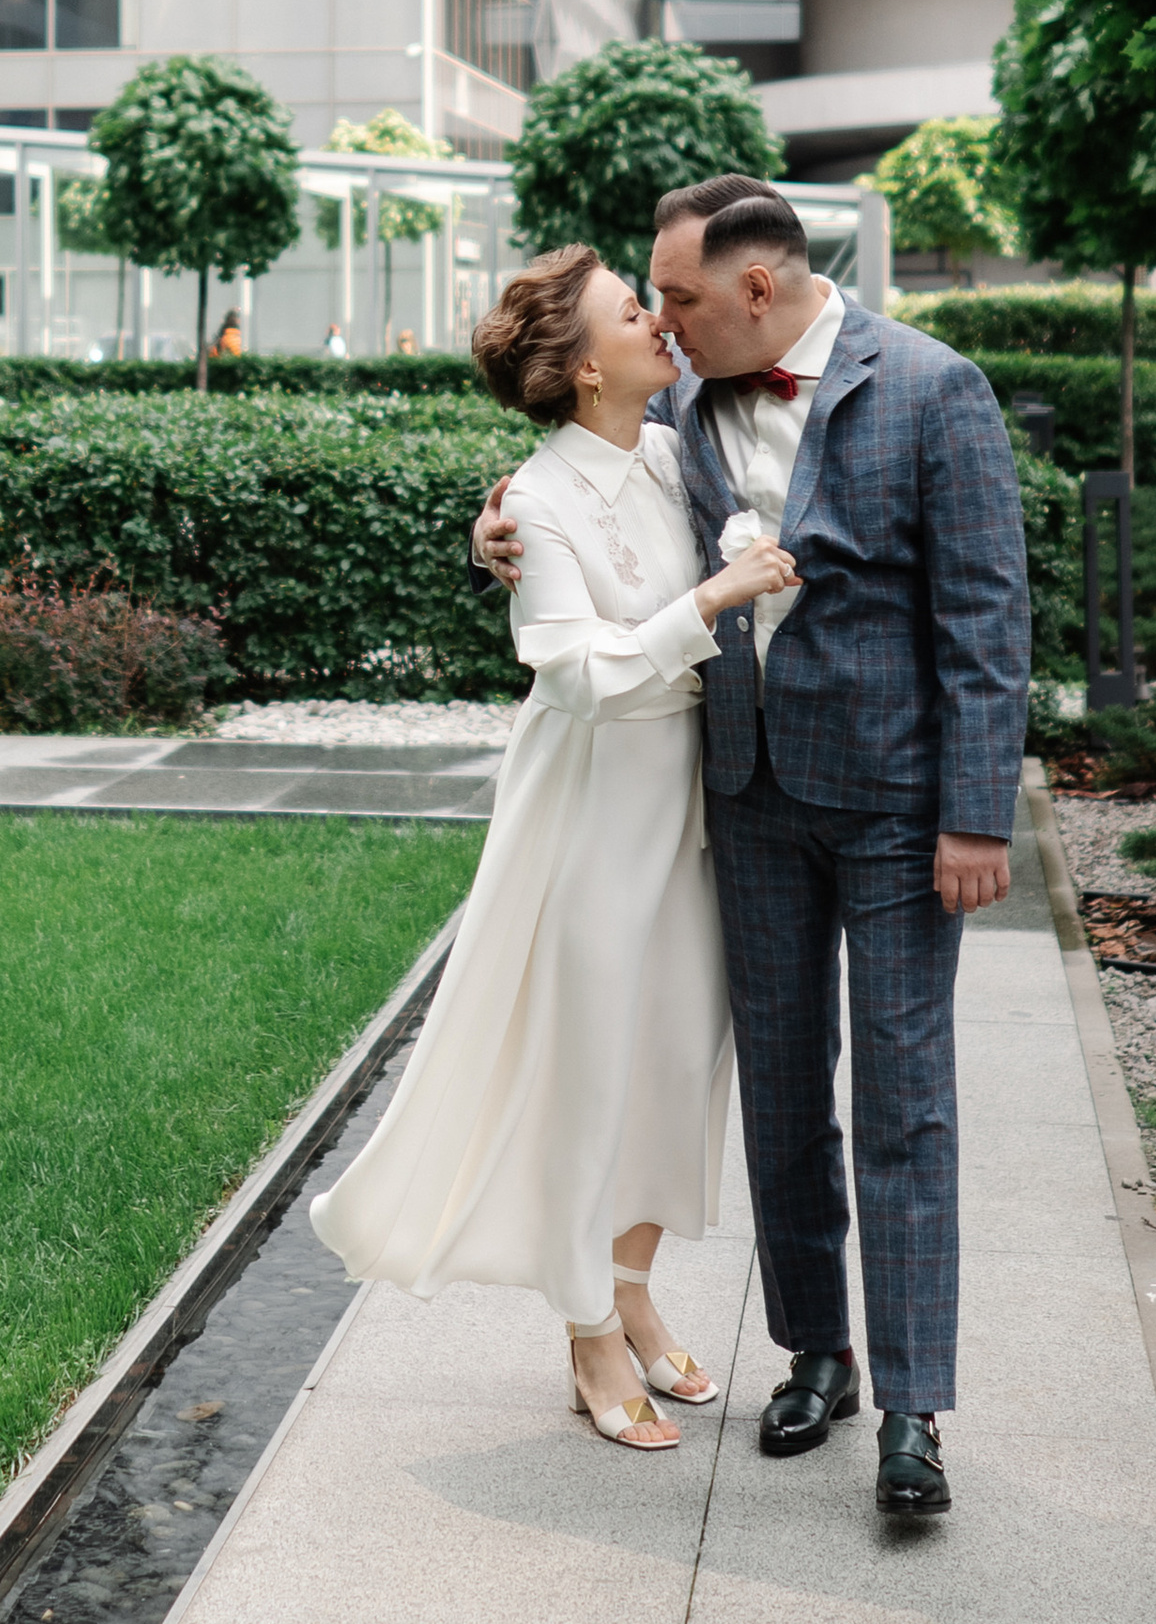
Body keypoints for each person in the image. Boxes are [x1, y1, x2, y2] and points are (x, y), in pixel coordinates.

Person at [474, 177, 1028, 1518]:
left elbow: (985, 609)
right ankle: (816, 1353)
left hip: (901, 808)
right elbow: (569, 469)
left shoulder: (935, 386)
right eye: (649, 302)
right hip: (749, 799)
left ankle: (914, 1409)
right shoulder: (677, 399)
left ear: (757, 290)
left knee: (905, 1104)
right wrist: (489, 531)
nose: (662, 319)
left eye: (678, 296)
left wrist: (976, 814)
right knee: (782, 1098)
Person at [314, 243, 801, 1450]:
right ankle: (585, 1327)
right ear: (586, 369)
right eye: (636, 312)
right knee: (589, 1068)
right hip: (592, 803)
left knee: (678, 1056)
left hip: (690, 800)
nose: (660, 321)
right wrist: (713, 601)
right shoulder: (533, 500)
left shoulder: (672, 442)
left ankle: (630, 1286)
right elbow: (575, 670)